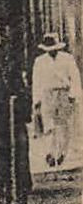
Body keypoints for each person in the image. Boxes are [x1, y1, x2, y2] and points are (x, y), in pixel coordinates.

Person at [31, 33, 81, 169]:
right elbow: (36, 82)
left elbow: (75, 77)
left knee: (63, 125)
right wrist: (37, 100)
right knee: (49, 126)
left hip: (63, 93)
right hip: (47, 94)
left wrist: (73, 94)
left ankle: (62, 153)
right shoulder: (39, 61)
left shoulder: (67, 59)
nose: (51, 51)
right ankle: (51, 154)